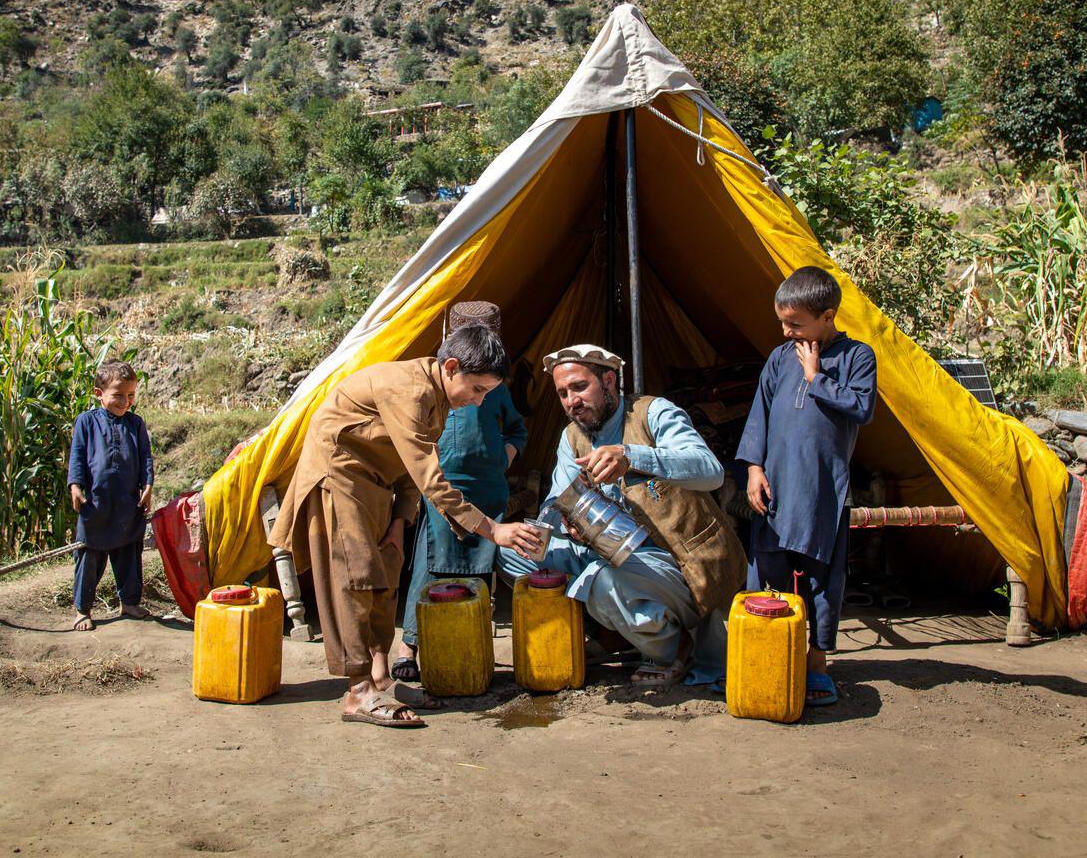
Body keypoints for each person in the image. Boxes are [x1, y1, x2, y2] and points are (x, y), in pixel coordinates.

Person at [268, 326, 545, 729]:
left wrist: (400, 519)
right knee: (356, 576)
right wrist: (493, 530)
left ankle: (380, 676)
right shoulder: (410, 391)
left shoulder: (439, 397)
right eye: (478, 388)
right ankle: (358, 690)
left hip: (379, 486)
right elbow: (430, 475)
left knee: (385, 573)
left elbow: (410, 467)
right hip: (339, 479)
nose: (479, 400)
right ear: (451, 367)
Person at [497, 344, 745, 688]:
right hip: (606, 552)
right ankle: (614, 630)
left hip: (677, 564)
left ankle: (672, 647)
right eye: (563, 393)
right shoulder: (572, 437)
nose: (571, 401)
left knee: (602, 580)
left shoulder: (652, 413)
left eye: (580, 387)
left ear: (609, 381)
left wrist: (632, 456)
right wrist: (563, 520)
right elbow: (554, 503)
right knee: (515, 551)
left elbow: (710, 471)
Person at [735, 266, 877, 707]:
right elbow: (759, 413)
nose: (786, 330)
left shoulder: (858, 357)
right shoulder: (779, 359)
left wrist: (817, 378)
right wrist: (754, 469)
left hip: (822, 491)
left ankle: (817, 663)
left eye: (795, 323)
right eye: (782, 322)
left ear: (828, 315)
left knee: (820, 578)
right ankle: (767, 651)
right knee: (767, 571)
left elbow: (862, 407)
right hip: (776, 487)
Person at [392, 302, 527, 684]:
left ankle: (471, 642)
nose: (478, 395)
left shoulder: (494, 389)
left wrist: (504, 455)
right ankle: (409, 648)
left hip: (489, 488)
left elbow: (517, 429)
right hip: (444, 486)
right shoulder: (434, 386)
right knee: (429, 564)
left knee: (481, 571)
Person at [66, 360, 154, 632]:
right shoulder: (86, 422)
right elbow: (78, 456)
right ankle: (83, 609)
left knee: (129, 552)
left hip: (128, 501)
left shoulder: (135, 424)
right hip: (96, 502)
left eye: (130, 395)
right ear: (98, 393)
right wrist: (75, 486)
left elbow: (145, 457)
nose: (125, 401)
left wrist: (148, 485)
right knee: (89, 555)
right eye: (118, 395)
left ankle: (128, 602)